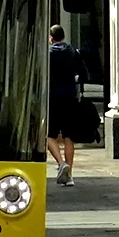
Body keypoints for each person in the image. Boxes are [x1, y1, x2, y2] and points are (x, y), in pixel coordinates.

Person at [50, 24, 87, 186]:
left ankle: (61, 163)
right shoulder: (73, 52)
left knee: (49, 136)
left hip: (53, 98)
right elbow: (84, 74)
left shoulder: (48, 54)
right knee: (68, 137)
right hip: (70, 98)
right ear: (63, 37)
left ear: (51, 38)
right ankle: (69, 175)